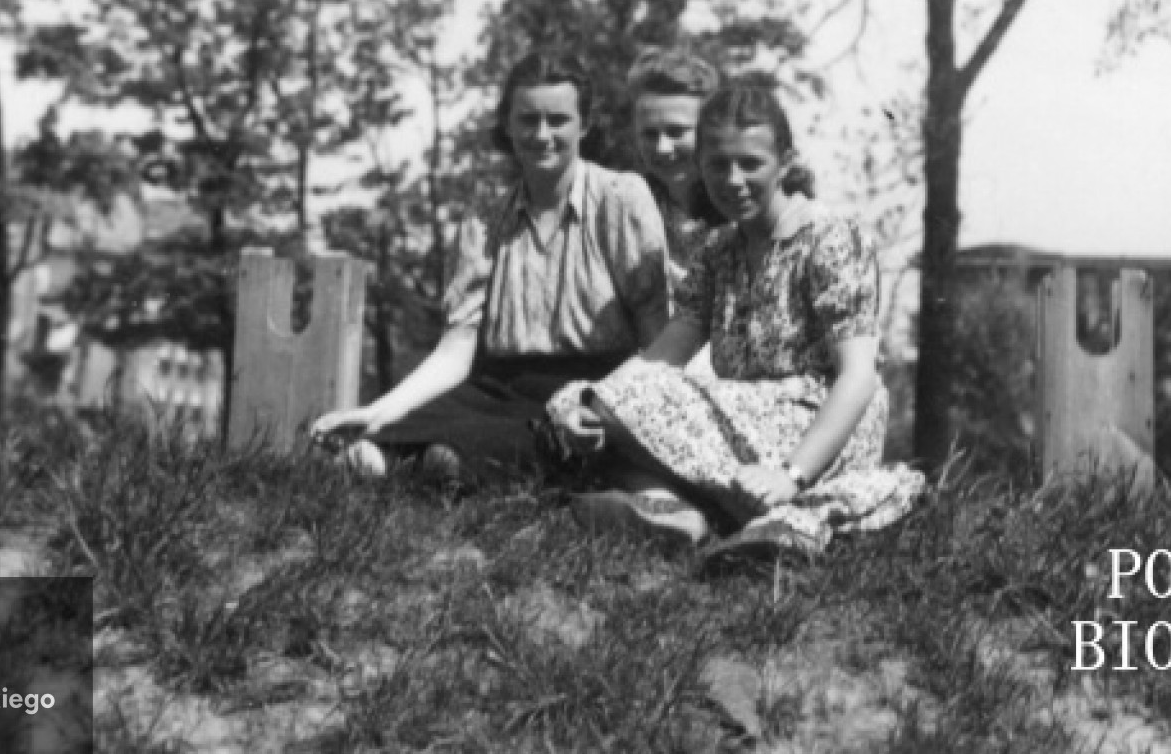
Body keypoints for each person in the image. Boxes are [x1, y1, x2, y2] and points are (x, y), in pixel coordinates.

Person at [548, 78, 926, 564]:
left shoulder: (829, 239)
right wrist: (587, 404)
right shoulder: (720, 251)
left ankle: (750, 505)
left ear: (786, 162)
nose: (733, 180)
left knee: (624, 410)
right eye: (718, 164)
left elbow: (858, 379)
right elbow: (665, 356)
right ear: (701, 167)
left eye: (750, 164)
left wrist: (790, 475)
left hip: (820, 431)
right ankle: (674, 511)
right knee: (592, 412)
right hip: (746, 421)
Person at [310, 51, 671, 482]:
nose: (542, 135)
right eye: (527, 120)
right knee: (358, 445)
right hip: (495, 389)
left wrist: (620, 411)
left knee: (451, 457)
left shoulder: (621, 197)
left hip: (591, 390)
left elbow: (657, 337)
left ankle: (436, 470)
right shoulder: (484, 214)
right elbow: (456, 348)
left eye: (558, 120)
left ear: (584, 125)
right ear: (507, 124)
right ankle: (398, 460)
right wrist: (378, 411)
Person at [624, 48, 728, 277]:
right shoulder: (626, 209)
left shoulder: (737, 207)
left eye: (677, 131)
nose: (663, 147)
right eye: (650, 134)